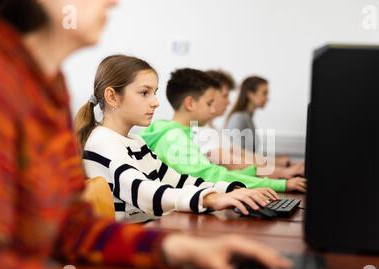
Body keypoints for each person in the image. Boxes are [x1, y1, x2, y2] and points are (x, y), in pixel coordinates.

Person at [0, 0, 292, 269]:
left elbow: (71, 228)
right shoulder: (5, 87)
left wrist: (179, 248)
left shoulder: (47, 87)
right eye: (144, 93)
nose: (113, 2)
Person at [76, 55, 279, 223]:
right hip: (127, 244)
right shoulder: (102, 141)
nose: (155, 102)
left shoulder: (136, 142)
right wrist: (211, 198)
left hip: (149, 231)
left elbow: (178, 181)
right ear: (112, 97)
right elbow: (144, 192)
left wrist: (230, 189)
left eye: (154, 93)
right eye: (144, 93)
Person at [141, 68, 307, 193]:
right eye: (209, 103)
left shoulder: (184, 133)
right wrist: (281, 183)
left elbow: (216, 172)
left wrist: (256, 171)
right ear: (190, 103)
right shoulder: (174, 138)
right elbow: (212, 176)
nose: (214, 111)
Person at [199, 70, 305, 179]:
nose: (229, 102)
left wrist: (282, 164)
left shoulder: (214, 129)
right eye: (225, 96)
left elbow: (241, 154)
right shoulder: (236, 120)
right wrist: (282, 171)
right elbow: (233, 162)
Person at [225, 76, 295, 168]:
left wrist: (275, 159)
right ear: (250, 94)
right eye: (264, 93)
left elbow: (249, 154)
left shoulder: (248, 118)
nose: (267, 98)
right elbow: (236, 156)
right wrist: (276, 162)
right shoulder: (238, 119)